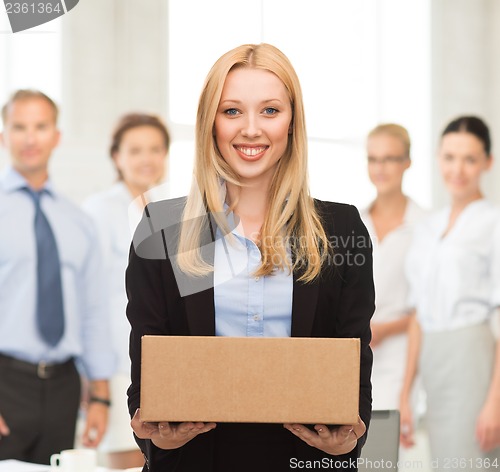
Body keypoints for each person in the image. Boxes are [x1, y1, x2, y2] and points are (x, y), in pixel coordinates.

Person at [126, 43, 375, 471]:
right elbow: (146, 363)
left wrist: (345, 445)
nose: (252, 129)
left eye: (271, 111)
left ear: (293, 123)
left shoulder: (340, 231)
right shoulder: (162, 230)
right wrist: (158, 435)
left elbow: (355, 364)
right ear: (211, 123)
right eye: (232, 111)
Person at [0, 90, 115, 465]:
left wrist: (100, 395)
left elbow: (93, 311)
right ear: (4, 136)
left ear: (56, 137)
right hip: (5, 382)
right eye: (19, 127)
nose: (30, 138)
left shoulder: (77, 222)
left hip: (64, 387)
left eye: (40, 126)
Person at [399, 116, 500, 469]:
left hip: (474, 359)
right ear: (438, 159)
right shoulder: (427, 228)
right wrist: (405, 396)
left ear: (487, 162)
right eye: (450, 157)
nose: (458, 169)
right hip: (432, 362)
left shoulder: (493, 222)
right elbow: (417, 316)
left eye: (470, 159)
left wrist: (495, 401)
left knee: (471, 463)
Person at [83, 113, 170, 469]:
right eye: (135, 150)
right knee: (123, 461)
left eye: (155, 149)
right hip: (119, 365)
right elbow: (90, 300)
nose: (146, 158)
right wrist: (96, 383)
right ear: (117, 157)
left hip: (166, 364)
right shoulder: (97, 212)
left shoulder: (176, 210)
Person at [360, 124, 426, 410]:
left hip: (401, 357)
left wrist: (384, 330)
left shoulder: (426, 226)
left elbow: (425, 309)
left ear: (407, 162)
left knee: (386, 448)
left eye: (389, 158)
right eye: (373, 159)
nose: (380, 168)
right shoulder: (354, 222)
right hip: (358, 353)